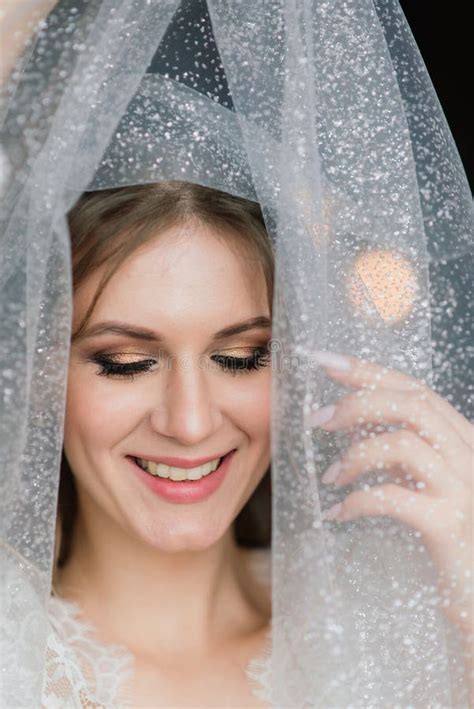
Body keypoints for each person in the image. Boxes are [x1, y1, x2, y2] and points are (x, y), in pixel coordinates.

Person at [1, 1, 472, 706]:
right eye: (126, 361)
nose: (190, 422)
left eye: (244, 356)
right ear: (36, 366)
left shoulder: (399, 630)